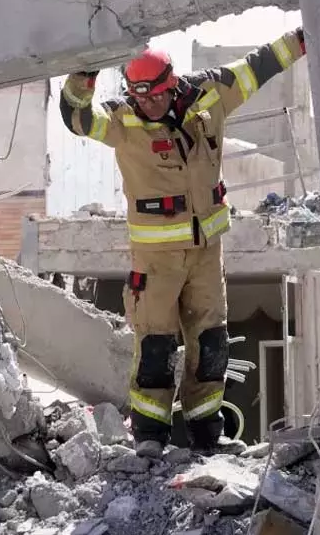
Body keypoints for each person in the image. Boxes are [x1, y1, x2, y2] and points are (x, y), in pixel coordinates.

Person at [57, 28, 307, 454]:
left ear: (171, 83)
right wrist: (85, 72)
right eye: (139, 96)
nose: (147, 104)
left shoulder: (211, 94)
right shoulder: (122, 120)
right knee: (155, 346)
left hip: (206, 253)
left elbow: (259, 65)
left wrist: (303, 39)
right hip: (156, 261)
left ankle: (206, 433)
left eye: (154, 96)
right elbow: (77, 117)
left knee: (211, 343)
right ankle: (150, 437)